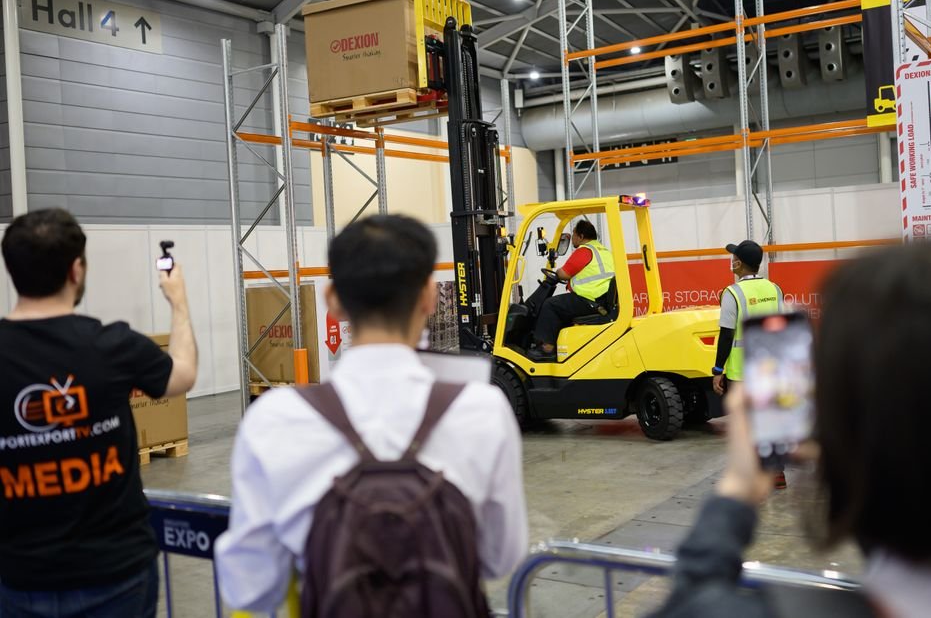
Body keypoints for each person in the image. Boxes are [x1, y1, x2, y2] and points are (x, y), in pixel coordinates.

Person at [649, 241, 931, 618]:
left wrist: (736, 490)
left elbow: (691, 604)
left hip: (744, 371)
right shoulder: (773, 288)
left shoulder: (732, 294)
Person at [215, 214, 528, 612]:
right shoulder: (483, 409)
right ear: (429, 297)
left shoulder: (274, 420)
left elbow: (251, 588)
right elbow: (501, 557)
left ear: (332, 301)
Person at [0, 208, 198, 617]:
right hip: (117, 576)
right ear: (76, 270)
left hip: (18, 579)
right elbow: (183, 374)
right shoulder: (113, 346)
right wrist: (178, 303)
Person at [711, 240, 786, 488]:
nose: (731, 261)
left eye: (733, 258)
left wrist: (718, 369)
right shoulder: (775, 289)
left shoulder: (732, 293)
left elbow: (726, 335)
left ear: (739, 263)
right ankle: (776, 473)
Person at [528, 218, 615, 362]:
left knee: (550, 305)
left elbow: (564, 273)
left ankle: (547, 348)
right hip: (602, 299)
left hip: (589, 300)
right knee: (562, 306)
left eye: (574, 234)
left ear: (581, 236)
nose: (572, 238)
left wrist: (558, 272)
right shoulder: (604, 251)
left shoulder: (584, 251)